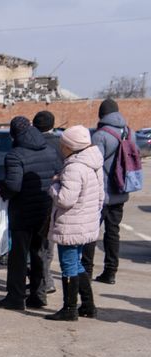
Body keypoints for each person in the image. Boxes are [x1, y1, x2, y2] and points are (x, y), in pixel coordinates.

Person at [0, 116, 59, 311]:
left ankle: (15, 297)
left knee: (18, 257)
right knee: (39, 253)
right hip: (44, 209)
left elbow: (14, 185)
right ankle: (38, 295)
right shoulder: (49, 150)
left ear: (13, 133)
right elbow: (57, 174)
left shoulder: (15, 155)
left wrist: (3, 191)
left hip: (22, 212)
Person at [46, 126, 105, 321]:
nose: (61, 148)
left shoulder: (74, 167)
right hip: (86, 221)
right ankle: (88, 305)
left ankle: (69, 308)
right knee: (76, 263)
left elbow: (65, 200)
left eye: (63, 144)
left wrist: (54, 185)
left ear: (70, 146)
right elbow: (100, 196)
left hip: (71, 223)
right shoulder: (93, 162)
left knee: (69, 264)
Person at [85, 98, 132, 285]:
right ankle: (111, 271)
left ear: (102, 114)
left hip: (101, 193)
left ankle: (86, 271)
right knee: (113, 232)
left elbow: (94, 164)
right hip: (120, 190)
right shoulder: (128, 131)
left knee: (91, 232)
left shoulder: (100, 135)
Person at [32, 111, 60, 298]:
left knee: (36, 245)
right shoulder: (61, 144)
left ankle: (43, 280)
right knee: (48, 243)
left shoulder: (32, 144)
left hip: (35, 198)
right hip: (55, 198)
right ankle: (46, 279)